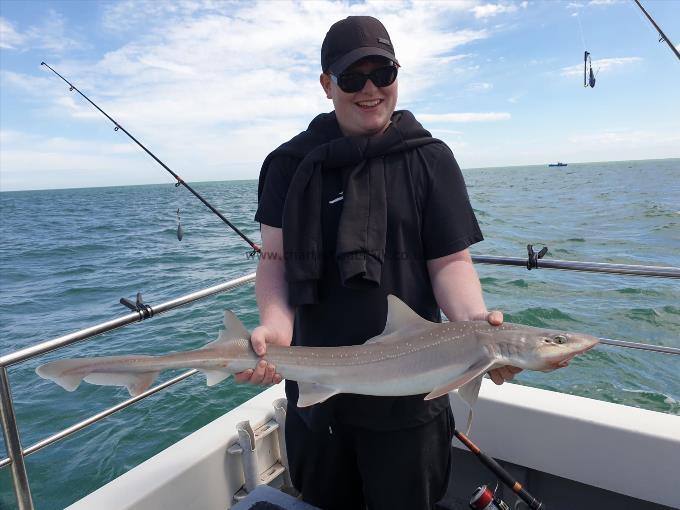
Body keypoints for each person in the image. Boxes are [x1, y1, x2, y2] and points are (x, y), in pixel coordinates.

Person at [236, 15, 521, 510]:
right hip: (317, 391)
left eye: (382, 74)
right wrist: (276, 330)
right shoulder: (288, 165)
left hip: (412, 399)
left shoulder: (430, 159)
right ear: (327, 85)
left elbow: (450, 262)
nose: (370, 89)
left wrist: (477, 330)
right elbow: (275, 261)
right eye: (352, 78)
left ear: (397, 76)